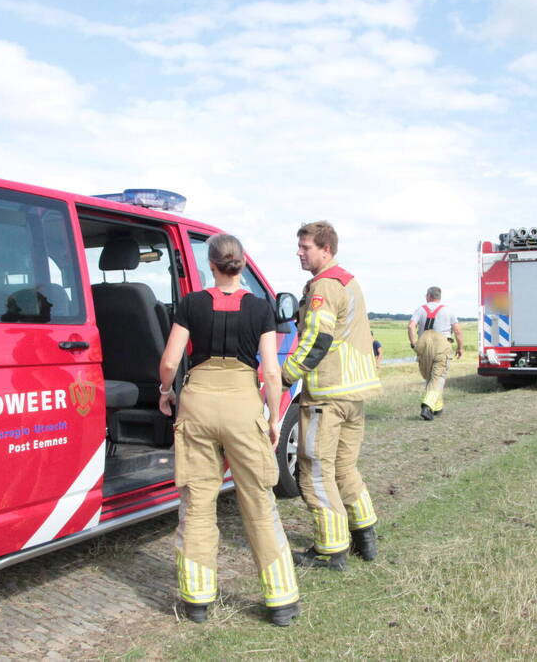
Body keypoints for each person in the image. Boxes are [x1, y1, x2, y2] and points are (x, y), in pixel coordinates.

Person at [158, 233, 299, 626]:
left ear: (212, 264)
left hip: (198, 404)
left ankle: (197, 601)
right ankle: (281, 601)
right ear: (241, 263)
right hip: (242, 406)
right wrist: (273, 419)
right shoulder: (260, 308)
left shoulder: (190, 304)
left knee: (198, 503)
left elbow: (170, 361)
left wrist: (166, 392)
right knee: (258, 502)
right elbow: (270, 371)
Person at [282, 221, 381, 570]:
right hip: (354, 395)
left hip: (326, 397)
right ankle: (365, 536)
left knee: (314, 471)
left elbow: (316, 339)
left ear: (325, 249)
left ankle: (330, 549)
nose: (299, 251)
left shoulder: (323, 285)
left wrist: (286, 374)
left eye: (305, 246)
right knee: (344, 468)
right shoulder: (349, 282)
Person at [407, 287, 464, 420]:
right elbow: (458, 331)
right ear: (439, 297)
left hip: (423, 345)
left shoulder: (420, 309)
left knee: (430, 376)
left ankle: (437, 407)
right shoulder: (448, 310)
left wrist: (413, 343)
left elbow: (410, 326)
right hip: (441, 345)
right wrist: (460, 347)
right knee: (438, 376)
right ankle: (427, 406)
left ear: (428, 296)